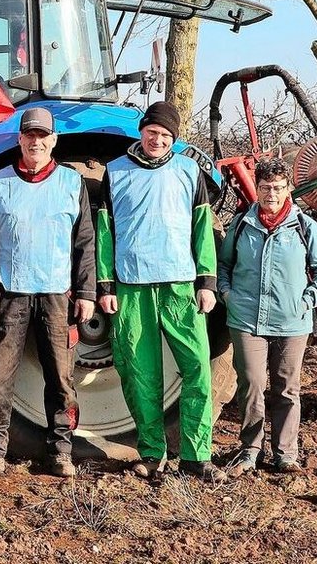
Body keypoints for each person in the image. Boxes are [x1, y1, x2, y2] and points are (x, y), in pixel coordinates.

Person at [96, 101, 220, 478]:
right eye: (153, 132)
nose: (158, 140)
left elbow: (202, 228)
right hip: (132, 287)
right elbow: (105, 233)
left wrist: (207, 280)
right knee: (139, 372)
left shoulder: (188, 170)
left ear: (174, 139)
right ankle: (151, 453)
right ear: (142, 132)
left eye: (166, 135)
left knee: (198, 367)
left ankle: (197, 456)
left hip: (180, 286)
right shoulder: (115, 173)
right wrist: (105, 284)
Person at [0, 107, 96, 478]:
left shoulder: (71, 183)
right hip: (10, 291)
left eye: (43, 136)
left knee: (60, 376)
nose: (36, 142)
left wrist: (87, 291)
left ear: (53, 140)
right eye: (30, 135)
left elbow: (86, 242)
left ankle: (61, 449)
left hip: (56, 293)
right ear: (20, 139)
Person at [218, 159, 317, 475]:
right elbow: (224, 266)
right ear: (257, 188)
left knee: (286, 388)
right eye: (266, 187)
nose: (272, 193)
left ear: (288, 190)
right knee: (252, 385)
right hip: (246, 320)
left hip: (291, 321)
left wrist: (308, 300)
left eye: (278, 188)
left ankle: (285, 453)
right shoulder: (243, 224)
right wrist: (228, 295)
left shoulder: (304, 227)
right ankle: (250, 450)